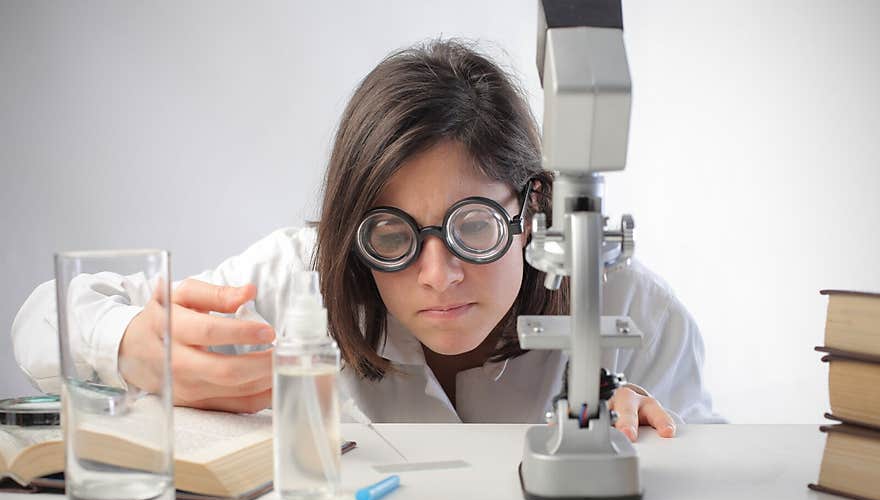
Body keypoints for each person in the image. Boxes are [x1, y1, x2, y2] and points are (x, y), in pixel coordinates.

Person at [11, 39, 725, 440]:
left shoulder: (630, 309)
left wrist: (669, 447)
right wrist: (131, 341)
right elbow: (40, 319)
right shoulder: (298, 277)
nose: (437, 274)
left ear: (534, 207)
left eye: (474, 225)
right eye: (392, 235)